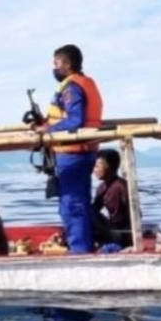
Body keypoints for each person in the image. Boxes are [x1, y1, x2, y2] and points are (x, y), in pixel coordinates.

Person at [33, 44, 103, 254]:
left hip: (73, 153)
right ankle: (84, 244)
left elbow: (75, 120)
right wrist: (44, 122)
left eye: (56, 64)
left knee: (71, 205)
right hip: (83, 151)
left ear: (67, 64)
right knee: (79, 200)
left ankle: (80, 251)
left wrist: (48, 129)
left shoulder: (72, 87)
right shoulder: (85, 83)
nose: (54, 68)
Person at [92, 148, 133, 249]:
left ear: (108, 167)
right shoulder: (102, 187)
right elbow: (94, 209)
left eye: (97, 166)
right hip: (113, 227)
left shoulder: (118, 187)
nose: (94, 170)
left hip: (123, 232)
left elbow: (121, 219)